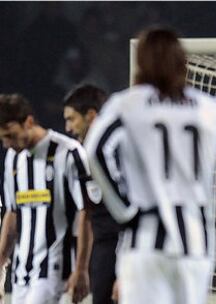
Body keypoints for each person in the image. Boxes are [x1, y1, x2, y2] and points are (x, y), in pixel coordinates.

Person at [84, 27, 216, 304]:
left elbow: (95, 151)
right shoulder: (208, 108)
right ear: (181, 61)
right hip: (196, 242)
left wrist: (124, 211)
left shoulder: (128, 105)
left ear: (141, 61)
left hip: (145, 240)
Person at [0, 94, 93, 304]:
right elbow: (12, 213)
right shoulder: (13, 158)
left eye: (10, 135)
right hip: (21, 271)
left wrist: (81, 269)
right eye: (2, 138)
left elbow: (86, 212)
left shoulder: (69, 153)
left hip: (55, 270)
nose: (7, 144)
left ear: (29, 122)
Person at [63, 84, 120, 304]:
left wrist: (125, 272)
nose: (68, 127)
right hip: (102, 252)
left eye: (72, 119)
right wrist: (81, 269)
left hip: (131, 248)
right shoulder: (82, 158)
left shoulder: (120, 154)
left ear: (91, 115)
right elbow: (86, 213)